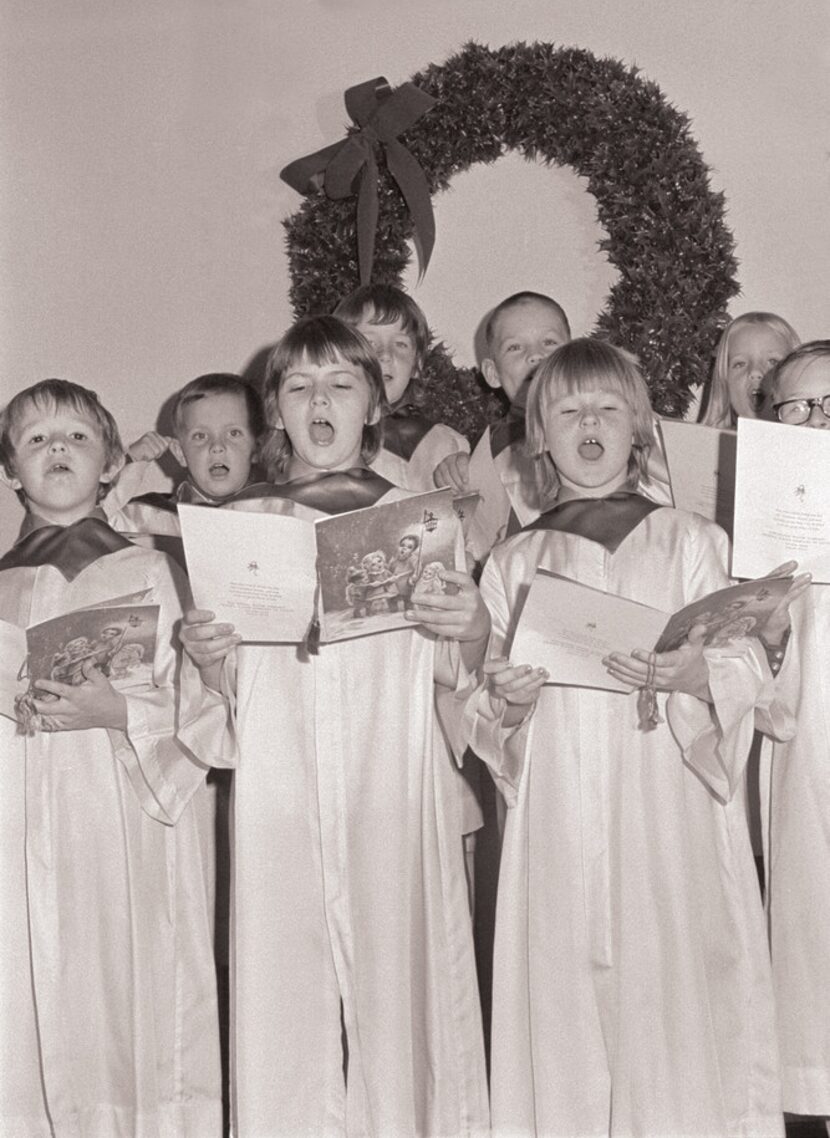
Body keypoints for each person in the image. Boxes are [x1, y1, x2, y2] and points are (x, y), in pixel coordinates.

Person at [461, 338, 805, 1138]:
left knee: (676, 972)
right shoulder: (513, 559)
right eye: (567, 409)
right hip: (561, 804)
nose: (590, 422)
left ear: (640, 428)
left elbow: (749, 659)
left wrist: (697, 676)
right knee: (565, 980)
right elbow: (485, 712)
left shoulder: (692, 541)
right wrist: (507, 704)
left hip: (668, 796)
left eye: (609, 408)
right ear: (538, 436)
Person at [178, 316, 490, 1138]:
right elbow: (216, 698)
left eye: (341, 384)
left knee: (405, 971)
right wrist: (209, 656)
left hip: (393, 764)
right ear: (275, 412)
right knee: (283, 976)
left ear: (373, 404)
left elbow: (459, 672)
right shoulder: (238, 525)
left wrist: (467, 622)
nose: (321, 400)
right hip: (282, 770)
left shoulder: (419, 518)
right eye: (299, 386)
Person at [0, 379, 222, 1137]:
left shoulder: (150, 570)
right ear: (10, 470)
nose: (56, 449)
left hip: (121, 813)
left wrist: (119, 711)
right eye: (35, 440)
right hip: (18, 814)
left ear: (111, 466)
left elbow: (201, 707)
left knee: (124, 987)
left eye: (76, 437)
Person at [759, 339, 830, 1123]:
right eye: (798, 409)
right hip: (807, 747)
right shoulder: (765, 529)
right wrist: (767, 630)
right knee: (812, 933)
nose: (816, 422)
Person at [435, 291, 572, 558]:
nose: (535, 356)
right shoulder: (492, 447)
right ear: (493, 373)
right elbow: (476, 544)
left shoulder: (614, 421)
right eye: (515, 347)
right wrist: (457, 479)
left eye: (549, 342)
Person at [333, 284, 468, 492]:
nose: (385, 355)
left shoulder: (446, 444)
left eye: (400, 344)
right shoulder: (324, 440)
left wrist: (463, 479)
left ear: (417, 365)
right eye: (369, 343)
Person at [108, 371, 269, 535]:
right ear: (180, 453)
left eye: (233, 433)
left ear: (256, 448)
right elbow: (91, 523)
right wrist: (131, 463)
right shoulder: (149, 515)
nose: (217, 446)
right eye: (200, 436)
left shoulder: (275, 512)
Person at [698, 311, 800, 428]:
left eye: (773, 362)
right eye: (740, 364)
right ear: (724, 383)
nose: (755, 372)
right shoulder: (706, 444)